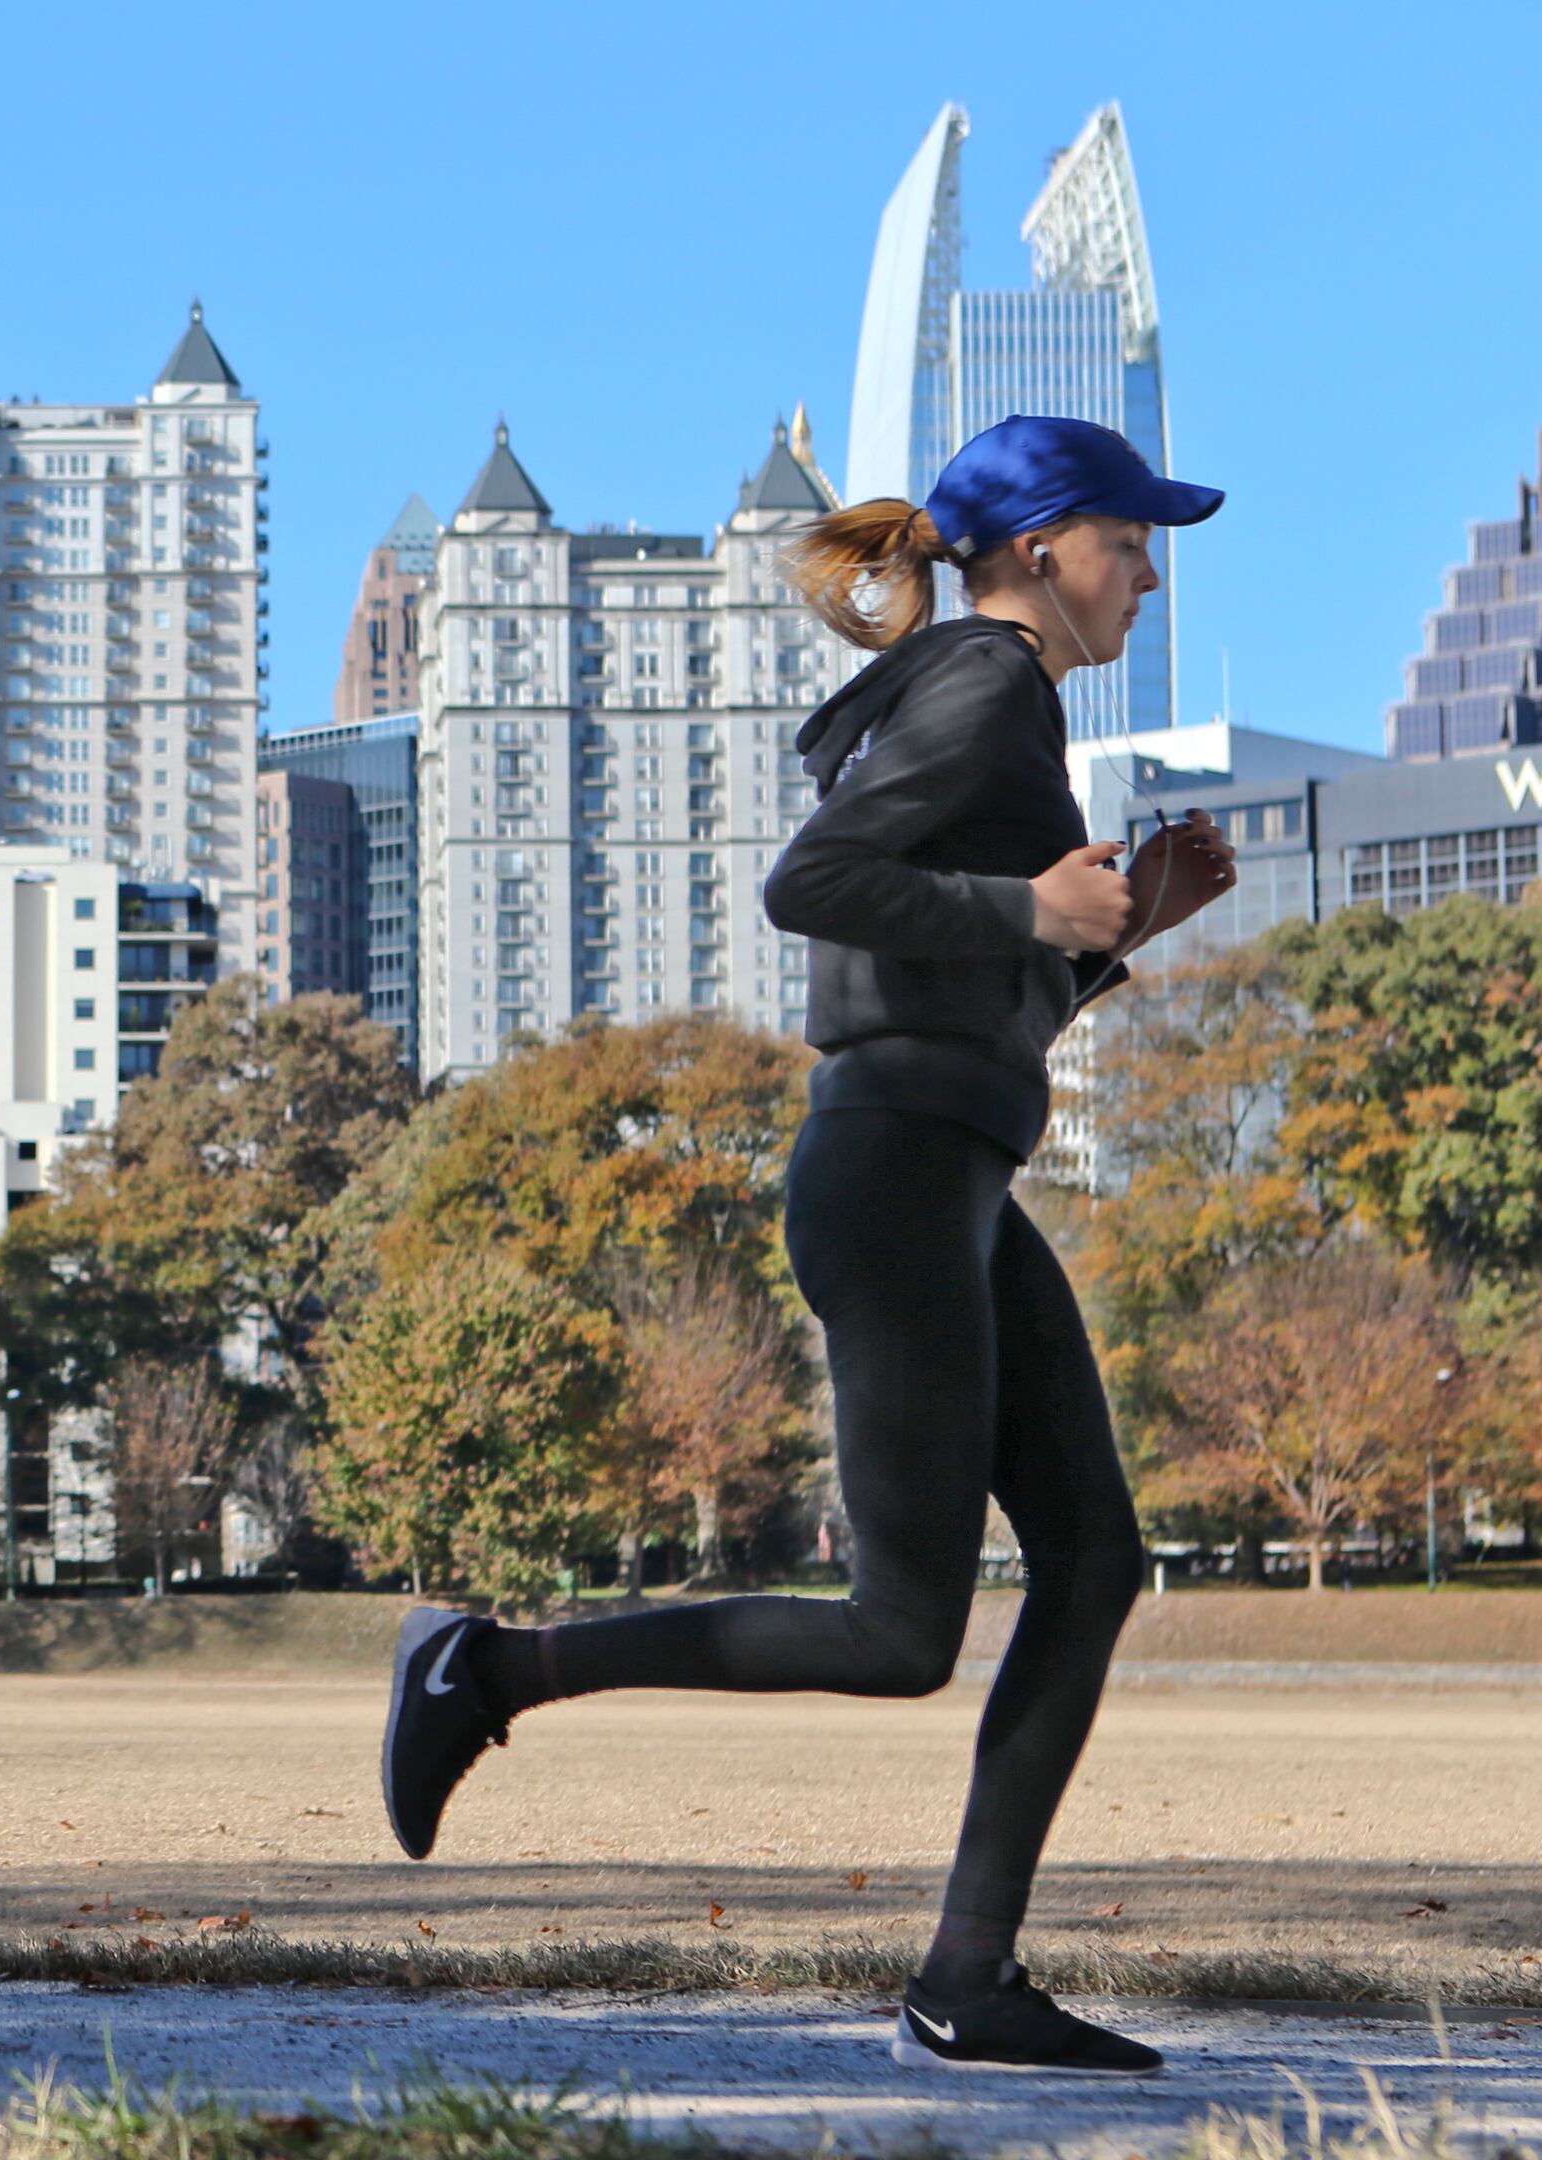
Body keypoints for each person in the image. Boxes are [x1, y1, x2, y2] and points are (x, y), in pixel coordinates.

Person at [378, 414, 1229, 2077]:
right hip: (902, 1175)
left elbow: (949, 988)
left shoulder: (986, 701)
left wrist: (1122, 932)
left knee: (1097, 1562)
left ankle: (968, 1979)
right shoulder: (985, 683)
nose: (1148, 571)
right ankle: (485, 1668)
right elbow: (810, 885)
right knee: (901, 1632)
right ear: (1041, 547)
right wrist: (1028, 912)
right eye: (1131, 538)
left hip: (947, 1165)